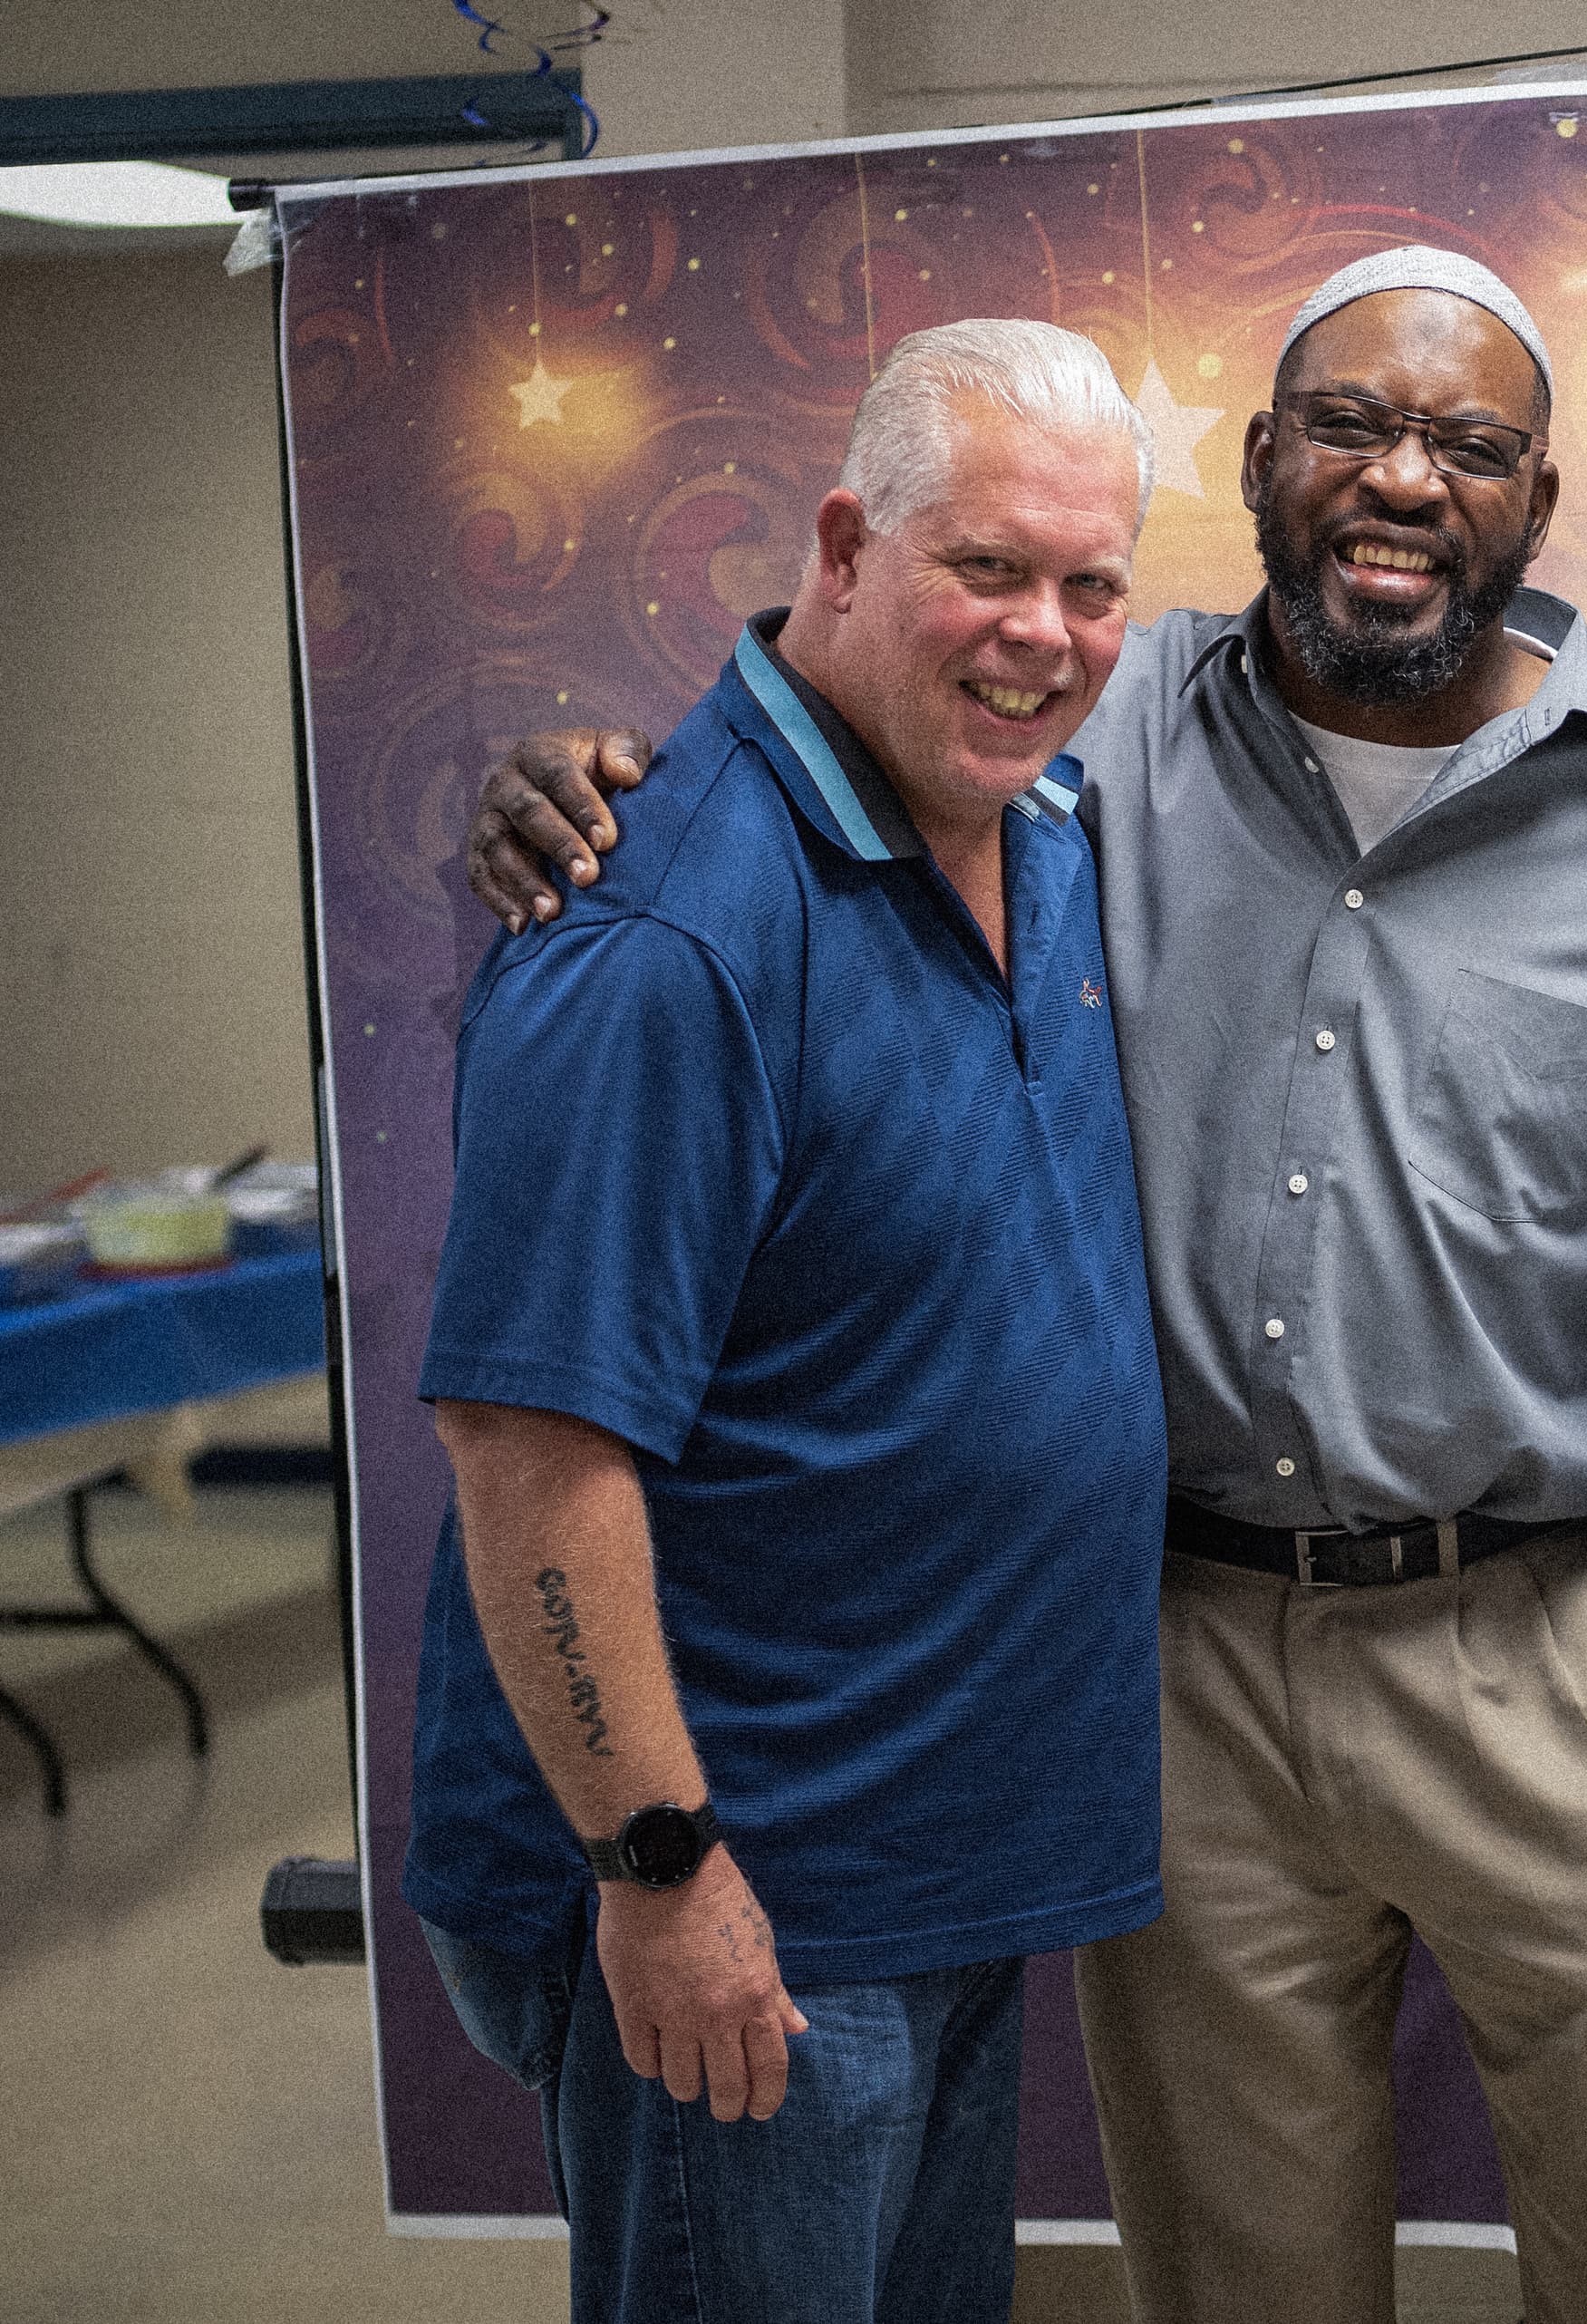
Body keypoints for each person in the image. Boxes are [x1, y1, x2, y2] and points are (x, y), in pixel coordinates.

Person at [462, 249, 1587, 2324]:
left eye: (1465, 442)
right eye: (1349, 424)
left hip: (1538, 1643)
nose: (1399, 476)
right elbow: (803, 752)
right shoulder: (1089, 741)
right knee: (1231, 2255)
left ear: (1537, 503)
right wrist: (573, 777)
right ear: (1264, 461)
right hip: (1165, 1662)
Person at [404, 318, 1169, 2323]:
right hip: (745, 1891)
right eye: (987, 568)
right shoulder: (665, 929)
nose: (1045, 633)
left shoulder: (1042, 836)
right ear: (843, 545)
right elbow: (529, 1449)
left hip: (928, 1860)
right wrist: (659, 1870)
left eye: (1093, 585)